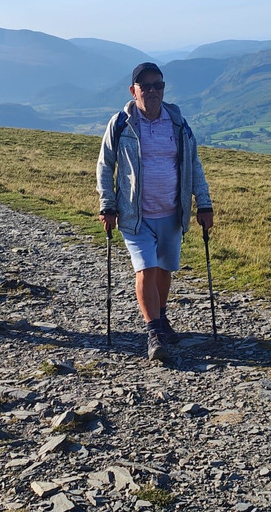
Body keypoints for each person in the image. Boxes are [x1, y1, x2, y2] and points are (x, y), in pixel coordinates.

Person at [97, 62, 214, 361]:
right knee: (146, 270)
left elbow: (194, 164)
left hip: (172, 212)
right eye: (145, 86)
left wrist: (203, 202)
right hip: (135, 215)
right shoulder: (121, 124)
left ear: (164, 88)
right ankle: (153, 332)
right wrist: (108, 205)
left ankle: (161, 319)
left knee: (164, 270)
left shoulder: (177, 123)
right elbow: (105, 166)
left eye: (157, 85)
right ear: (133, 90)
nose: (152, 91)